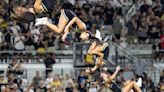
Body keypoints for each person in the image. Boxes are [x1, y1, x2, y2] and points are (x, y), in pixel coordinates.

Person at [11, 0, 86, 41]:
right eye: (21, 9)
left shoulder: (34, 16)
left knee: (59, 30)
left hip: (64, 13)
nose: (22, 7)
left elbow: (59, 31)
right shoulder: (36, 7)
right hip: (64, 12)